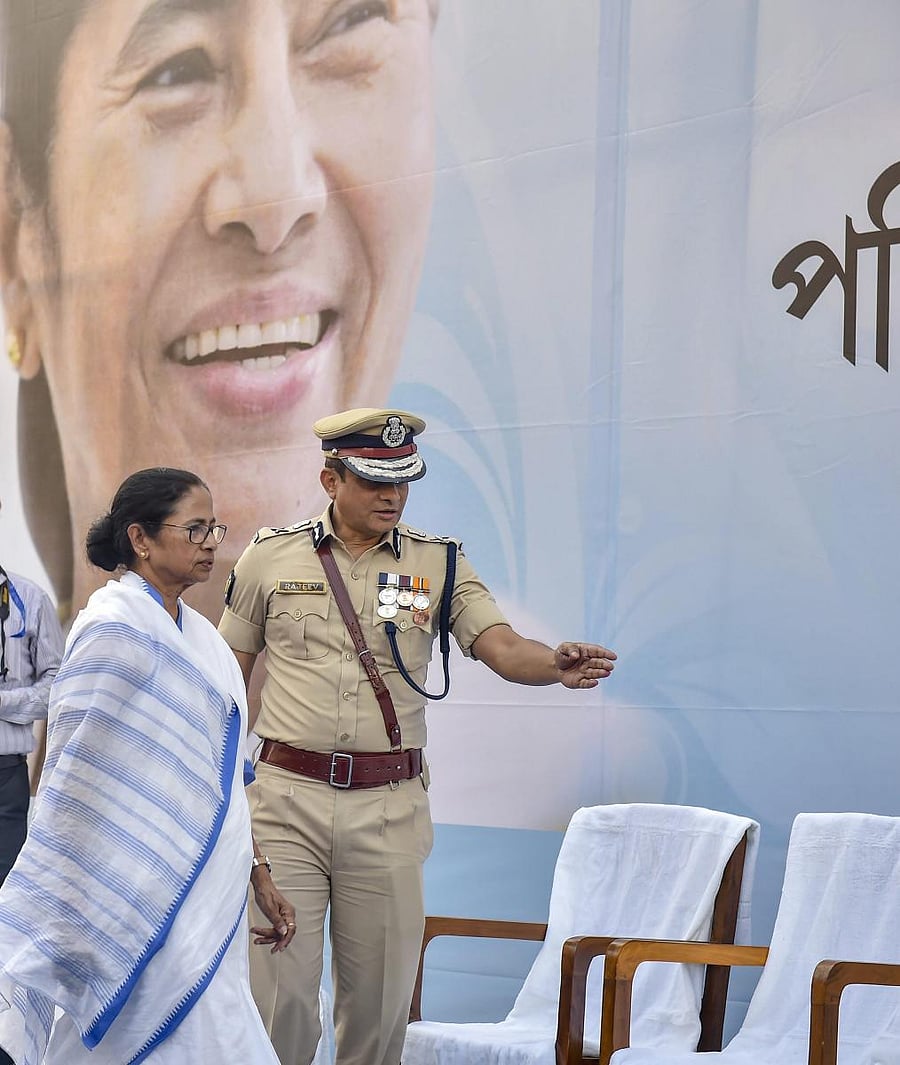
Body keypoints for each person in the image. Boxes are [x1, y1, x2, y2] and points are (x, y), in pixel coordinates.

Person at [0, 0, 439, 623]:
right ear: (16, 236)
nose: (276, 200)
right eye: (177, 71)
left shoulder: (534, 698)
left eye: (346, 25)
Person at [218, 407, 618, 1065]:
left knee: (378, 1011)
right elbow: (225, 675)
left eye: (402, 481)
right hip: (285, 803)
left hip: (388, 808)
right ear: (330, 478)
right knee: (280, 1003)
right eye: (375, 481)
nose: (392, 495)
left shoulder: (438, 562)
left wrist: (554, 663)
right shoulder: (271, 556)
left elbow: (502, 645)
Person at [0, 467, 297, 1064]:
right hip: (133, 887)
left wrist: (257, 868)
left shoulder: (208, 644)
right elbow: (73, 779)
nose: (212, 541)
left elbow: (223, 780)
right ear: (140, 538)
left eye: (214, 527)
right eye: (194, 529)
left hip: (206, 890)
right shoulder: (112, 627)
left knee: (214, 1024)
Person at [0, 499, 64, 1065]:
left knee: (9, 906)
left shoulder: (27, 600)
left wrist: (3, 704)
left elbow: (56, 688)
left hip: (6, 779)